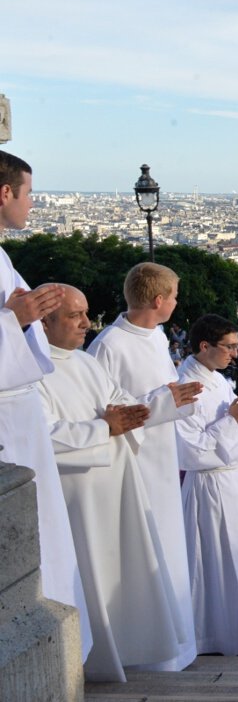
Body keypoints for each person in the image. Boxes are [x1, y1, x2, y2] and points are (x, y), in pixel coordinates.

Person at [38, 285, 194, 681]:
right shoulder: (31, 370)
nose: (86, 324)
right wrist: (101, 428)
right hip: (78, 494)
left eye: (85, 313)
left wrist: (161, 401)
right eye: (75, 316)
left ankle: (125, 649)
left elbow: (123, 408)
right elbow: (40, 435)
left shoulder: (87, 364)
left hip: (112, 484)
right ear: (44, 321)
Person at [0, 151, 89, 661]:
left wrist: (23, 317)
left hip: (18, 410)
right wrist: (14, 319)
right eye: (29, 192)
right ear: (5, 192)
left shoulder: (3, 258)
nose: (34, 204)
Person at [176, 314, 238, 656]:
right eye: (230, 347)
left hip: (231, 479)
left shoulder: (217, 379)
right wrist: (233, 419)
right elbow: (190, 450)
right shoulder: (185, 383)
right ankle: (214, 635)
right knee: (214, 562)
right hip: (209, 486)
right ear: (205, 346)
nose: (236, 354)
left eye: (237, 346)